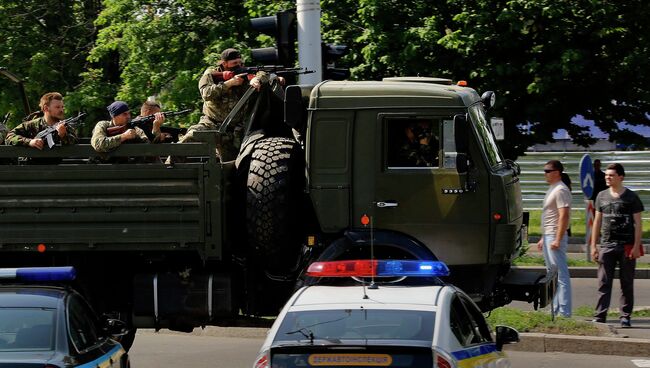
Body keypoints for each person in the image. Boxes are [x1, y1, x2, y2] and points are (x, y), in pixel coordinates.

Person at [173, 48, 270, 162]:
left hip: (233, 131)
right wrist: (229, 83)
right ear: (224, 63)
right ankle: (166, 170)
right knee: (188, 139)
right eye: (234, 63)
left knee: (231, 166)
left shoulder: (245, 72)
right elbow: (206, 93)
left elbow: (264, 73)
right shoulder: (211, 73)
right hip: (210, 123)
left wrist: (257, 79)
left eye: (240, 62)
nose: (238, 65)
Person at [590, 163, 644, 327]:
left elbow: (638, 224)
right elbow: (597, 222)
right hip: (607, 245)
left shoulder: (631, 197)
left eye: (611, 175)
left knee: (626, 283)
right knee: (603, 282)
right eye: (606, 175)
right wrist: (593, 246)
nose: (607, 177)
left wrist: (636, 246)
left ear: (621, 177)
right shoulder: (601, 196)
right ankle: (600, 316)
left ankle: (625, 316)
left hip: (626, 246)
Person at [537, 160, 572, 317]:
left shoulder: (561, 190)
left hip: (555, 236)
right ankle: (556, 310)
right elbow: (549, 216)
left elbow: (564, 216)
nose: (545, 174)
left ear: (557, 172)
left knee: (561, 276)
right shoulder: (553, 188)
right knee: (552, 276)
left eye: (548, 171)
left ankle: (564, 313)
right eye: (544, 171)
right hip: (549, 235)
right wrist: (543, 237)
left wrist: (557, 239)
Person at [91, 101, 164, 160]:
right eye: (124, 114)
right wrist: (123, 136)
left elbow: (149, 145)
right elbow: (98, 144)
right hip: (102, 167)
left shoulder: (132, 126)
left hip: (125, 169)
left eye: (129, 113)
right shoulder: (102, 125)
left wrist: (156, 127)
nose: (128, 116)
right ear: (114, 116)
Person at [5, 92, 78, 149]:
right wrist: (30, 142)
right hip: (31, 165)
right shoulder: (31, 125)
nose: (61, 110)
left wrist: (63, 135)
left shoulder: (64, 126)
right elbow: (9, 136)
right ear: (46, 108)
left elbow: (75, 141)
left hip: (57, 166)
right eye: (57, 107)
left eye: (62, 107)